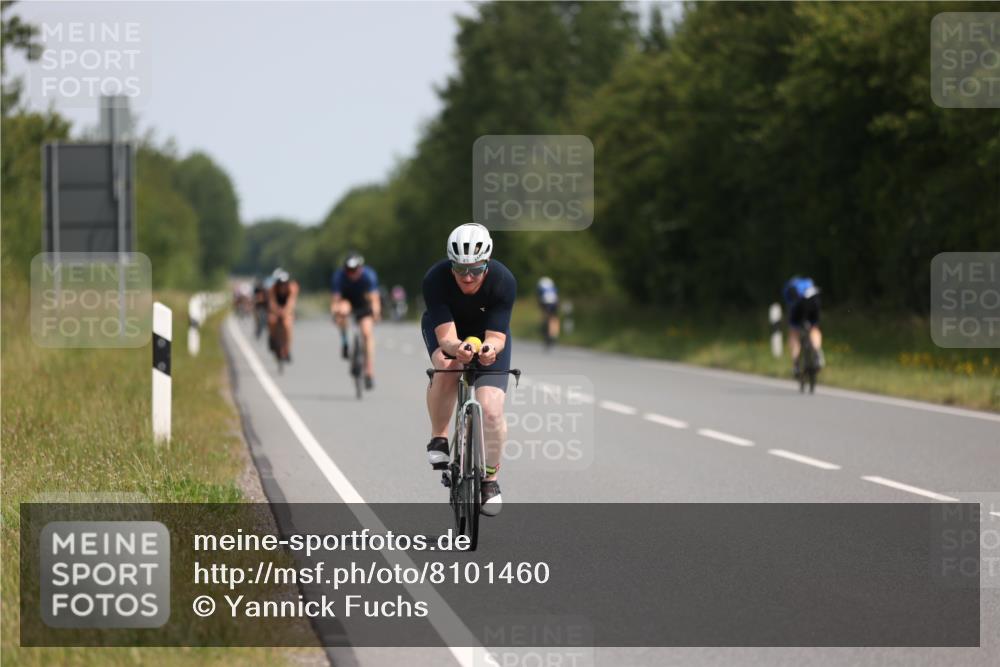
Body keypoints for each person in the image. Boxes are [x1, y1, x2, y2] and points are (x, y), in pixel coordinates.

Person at [421, 223, 516, 517]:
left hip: (488, 336)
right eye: (460, 269)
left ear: (487, 263)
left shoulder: (503, 280)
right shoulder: (435, 279)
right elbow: (447, 338)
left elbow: (497, 338)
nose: (468, 276)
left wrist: (489, 350)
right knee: (448, 366)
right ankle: (439, 436)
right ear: (451, 266)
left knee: (491, 410)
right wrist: (457, 349)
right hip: (449, 333)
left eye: (476, 268)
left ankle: (490, 479)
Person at [330, 252, 381, 389]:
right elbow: (335, 300)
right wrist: (335, 312)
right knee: (342, 311)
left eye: (355, 270)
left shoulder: (368, 275)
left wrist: (376, 313)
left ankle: (369, 371)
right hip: (347, 302)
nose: (352, 273)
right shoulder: (339, 277)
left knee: (366, 333)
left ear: (360, 268)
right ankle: (345, 341)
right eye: (349, 270)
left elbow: (374, 299)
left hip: (363, 303)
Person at [782, 275, 824, 377]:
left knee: (794, 333)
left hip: (798, 307)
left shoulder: (788, 287)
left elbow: (790, 305)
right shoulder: (809, 282)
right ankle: (817, 353)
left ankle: (796, 364)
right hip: (813, 303)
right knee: (814, 328)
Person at [267, 268, 299, 363]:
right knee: (271, 320)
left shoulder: (292, 288)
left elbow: (291, 302)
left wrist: (285, 311)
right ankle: (272, 338)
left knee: (287, 325)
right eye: (280, 284)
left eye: (284, 284)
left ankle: (287, 349)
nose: (282, 286)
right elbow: (272, 302)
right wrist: (276, 311)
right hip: (276, 308)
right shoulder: (272, 289)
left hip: (287, 309)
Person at [536, 276, 560, 345]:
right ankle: (554, 334)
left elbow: (539, 296)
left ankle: (544, 328)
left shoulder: (540, 285)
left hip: (545, 302)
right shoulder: (552, 286)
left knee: (545, 316)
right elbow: (556, 295)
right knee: (554, 318)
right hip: (554, 302)